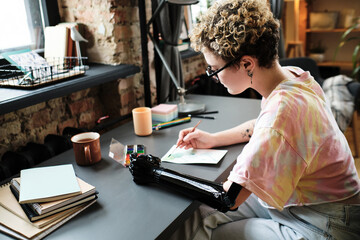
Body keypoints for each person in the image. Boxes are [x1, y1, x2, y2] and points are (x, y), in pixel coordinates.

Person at [173, 0, 360, 239]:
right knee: (199, 215)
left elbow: (229, 199)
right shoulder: (293, 78)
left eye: (214, 69)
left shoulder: (281, 113)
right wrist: (212, 139)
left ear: (247, 64)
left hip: (326, 225)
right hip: (308, 204)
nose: (213, 78)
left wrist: (159, 175)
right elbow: (262, 126)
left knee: (212, 230)